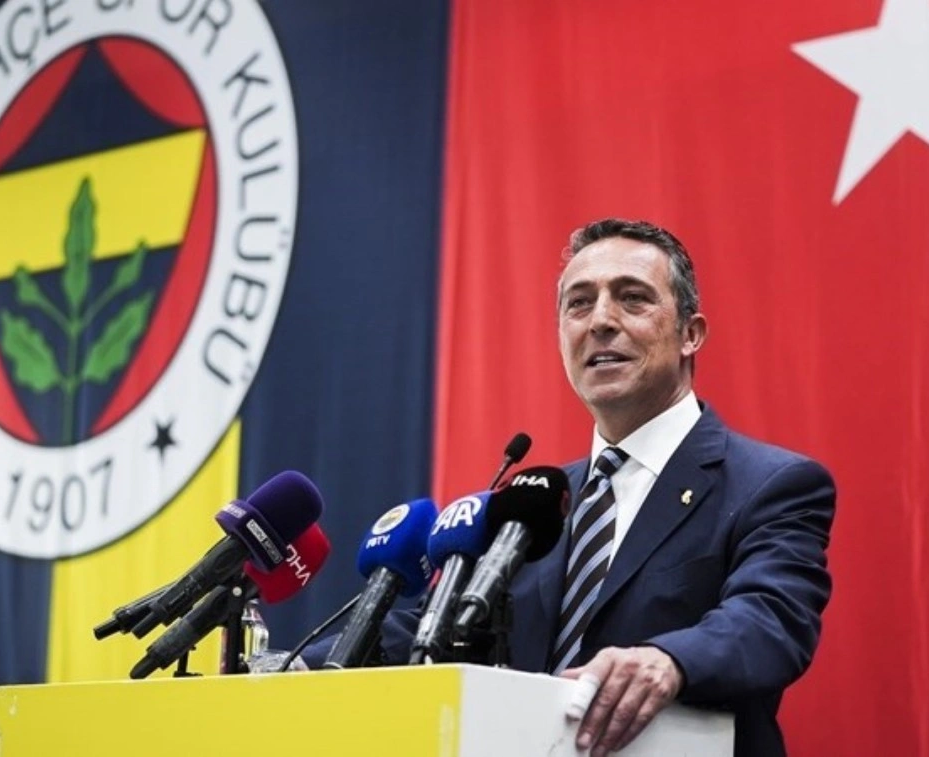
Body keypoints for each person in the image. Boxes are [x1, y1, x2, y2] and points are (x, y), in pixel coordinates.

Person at [309, 218, 835, 757]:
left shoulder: (771, 485)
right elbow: (429, 628)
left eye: (632, 298)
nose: (601, 321)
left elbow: (771, 620)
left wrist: (668, 661)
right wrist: (291, 669)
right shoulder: (533, 505)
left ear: (690, 334)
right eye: (579, 304)